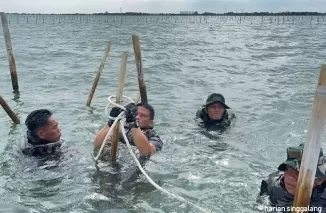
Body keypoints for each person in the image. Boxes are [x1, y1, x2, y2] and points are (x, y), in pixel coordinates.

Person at [258, 143, 326, 210]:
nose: (290, 177)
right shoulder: (271, 187)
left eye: (299, 173)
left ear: (319, 180)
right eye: (287, 169)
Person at [93, 102, 163, 159]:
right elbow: (97, 145)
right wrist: (111, 123)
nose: (138, 117)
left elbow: (147, 152)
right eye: (136, 114)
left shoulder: (154, 137)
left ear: (150, 123)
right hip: (110, 162)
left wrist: (133, 124)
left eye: (143, 115)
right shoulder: (120, 129)